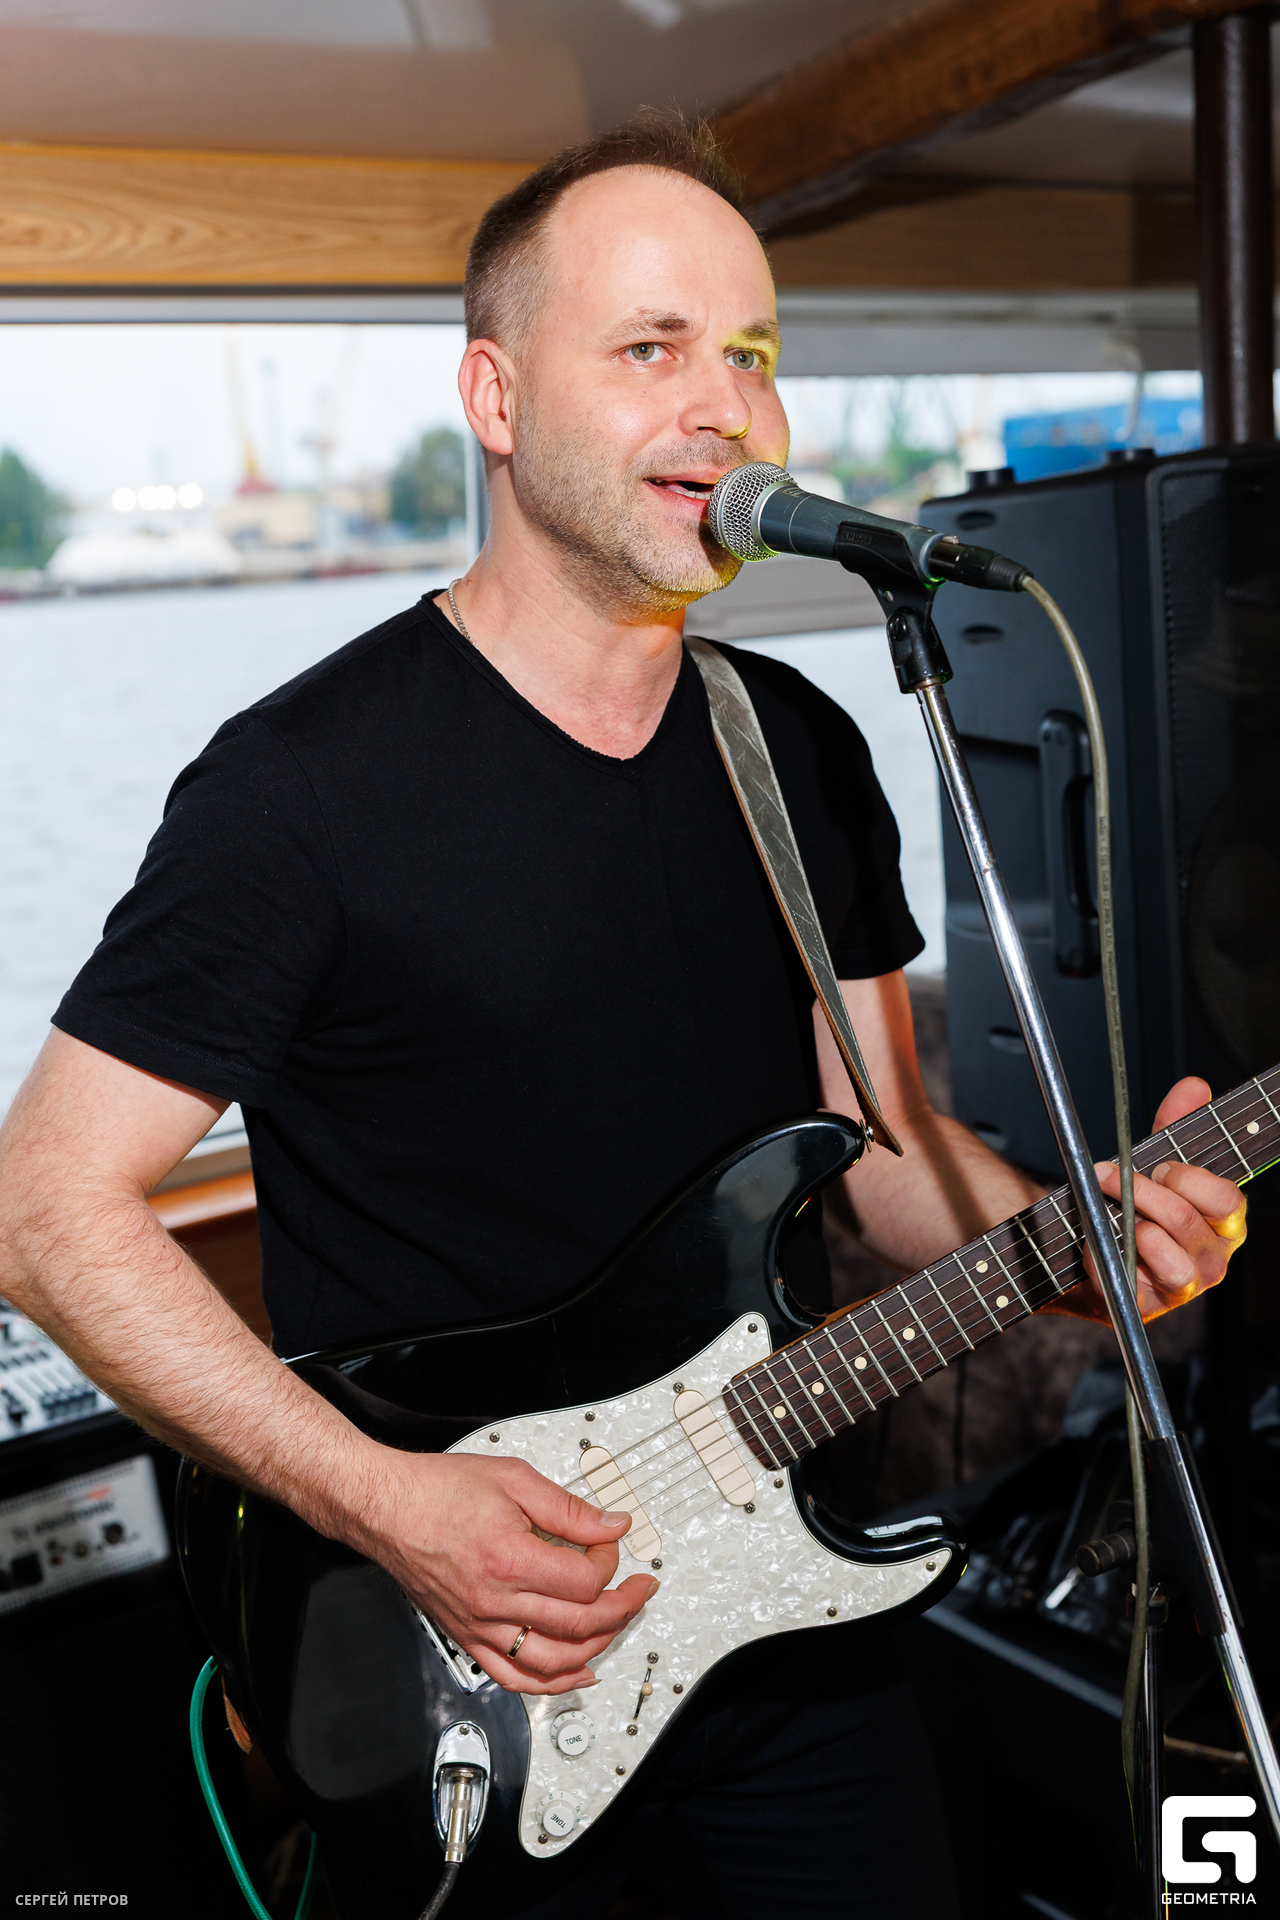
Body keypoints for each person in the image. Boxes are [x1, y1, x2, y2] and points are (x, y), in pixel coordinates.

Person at [0, 115, 1246, 1920]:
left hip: (793, 1620)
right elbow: (47, 1213)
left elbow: (884, 1153)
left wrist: (1079, 1248)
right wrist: (387, 1502)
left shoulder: (796, 745)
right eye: (651, 347)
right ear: (495, 399)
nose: (726, 405)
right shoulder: (299, 792)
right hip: (468, 1657)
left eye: (752, 351)